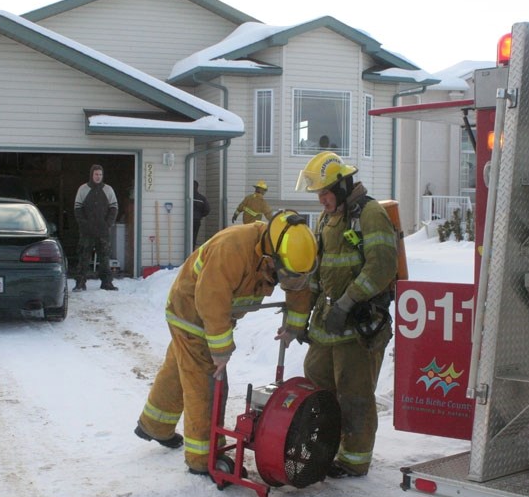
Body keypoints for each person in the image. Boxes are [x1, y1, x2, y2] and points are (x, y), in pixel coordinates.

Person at [134, 211, 317, 477]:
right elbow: (211, 301)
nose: (286, 281)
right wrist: (220, 350)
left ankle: (154, 424)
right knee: (207, 382)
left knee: (180, 367)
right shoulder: (232, 248)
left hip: (215, 314)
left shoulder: (288, 248)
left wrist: (294, 325)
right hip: (192, 313)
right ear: (270, 257)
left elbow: (299, 287)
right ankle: (204, 457)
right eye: (283, 274)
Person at [292, 151, 398, 479]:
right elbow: (318, 270)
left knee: (354, 393)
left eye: (324, 192)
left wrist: (347, 303)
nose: (320, 199)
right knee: (316, 376)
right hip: (328, 320)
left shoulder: (370, 214)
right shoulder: (328, 218)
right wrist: (301, 317)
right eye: (318, 194)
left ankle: (354, 459)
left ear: (341, 186)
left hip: (359, 322)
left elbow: (381, 268)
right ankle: (327, 443)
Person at [72, 164, 119, 291]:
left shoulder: (108, 190)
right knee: (83, 257)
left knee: (105, 257)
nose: (98, 177)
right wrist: (84, 224)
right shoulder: (83, 189)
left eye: (100, 174)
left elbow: (114, 208)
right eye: (96, 174)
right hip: (86, 232)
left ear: (102, 176)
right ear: (91, 175)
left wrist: (108, 223)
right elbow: (77, 208)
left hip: (103, 231)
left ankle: (106, 283)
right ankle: (80, 283)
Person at [192, 180, 210, 249]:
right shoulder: (201, 198)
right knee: (194, 237)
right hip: (196, 220)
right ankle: (192, 250)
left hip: (188, 220)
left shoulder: (187, 196)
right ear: (197, 187)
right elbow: (207, 210)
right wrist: (200, 215)